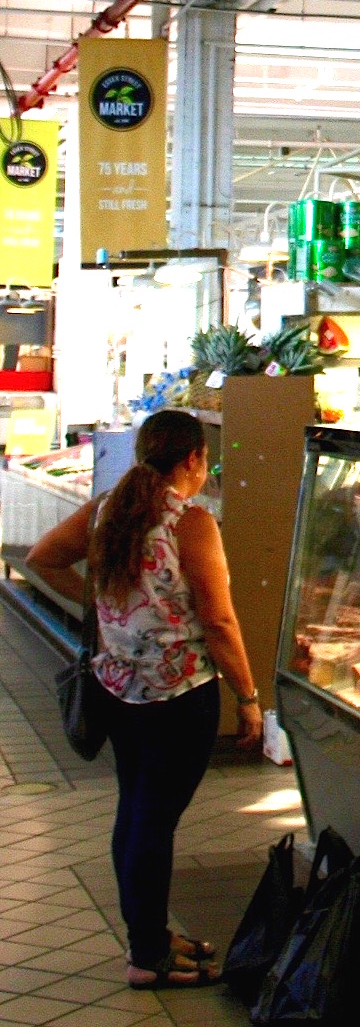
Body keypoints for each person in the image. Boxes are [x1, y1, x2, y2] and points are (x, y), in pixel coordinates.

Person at [25, 410, 263, 990]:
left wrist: (105, 614)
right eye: (205, 459)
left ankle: (148, 936)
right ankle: (147, 956)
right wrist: (250, 697)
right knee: (153, 825)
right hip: (179, 697)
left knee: (135, 813)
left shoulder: (111, 508)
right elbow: (220, 621)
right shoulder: (193, 524)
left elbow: (41, 560)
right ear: (191, 460)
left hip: (118, 690)